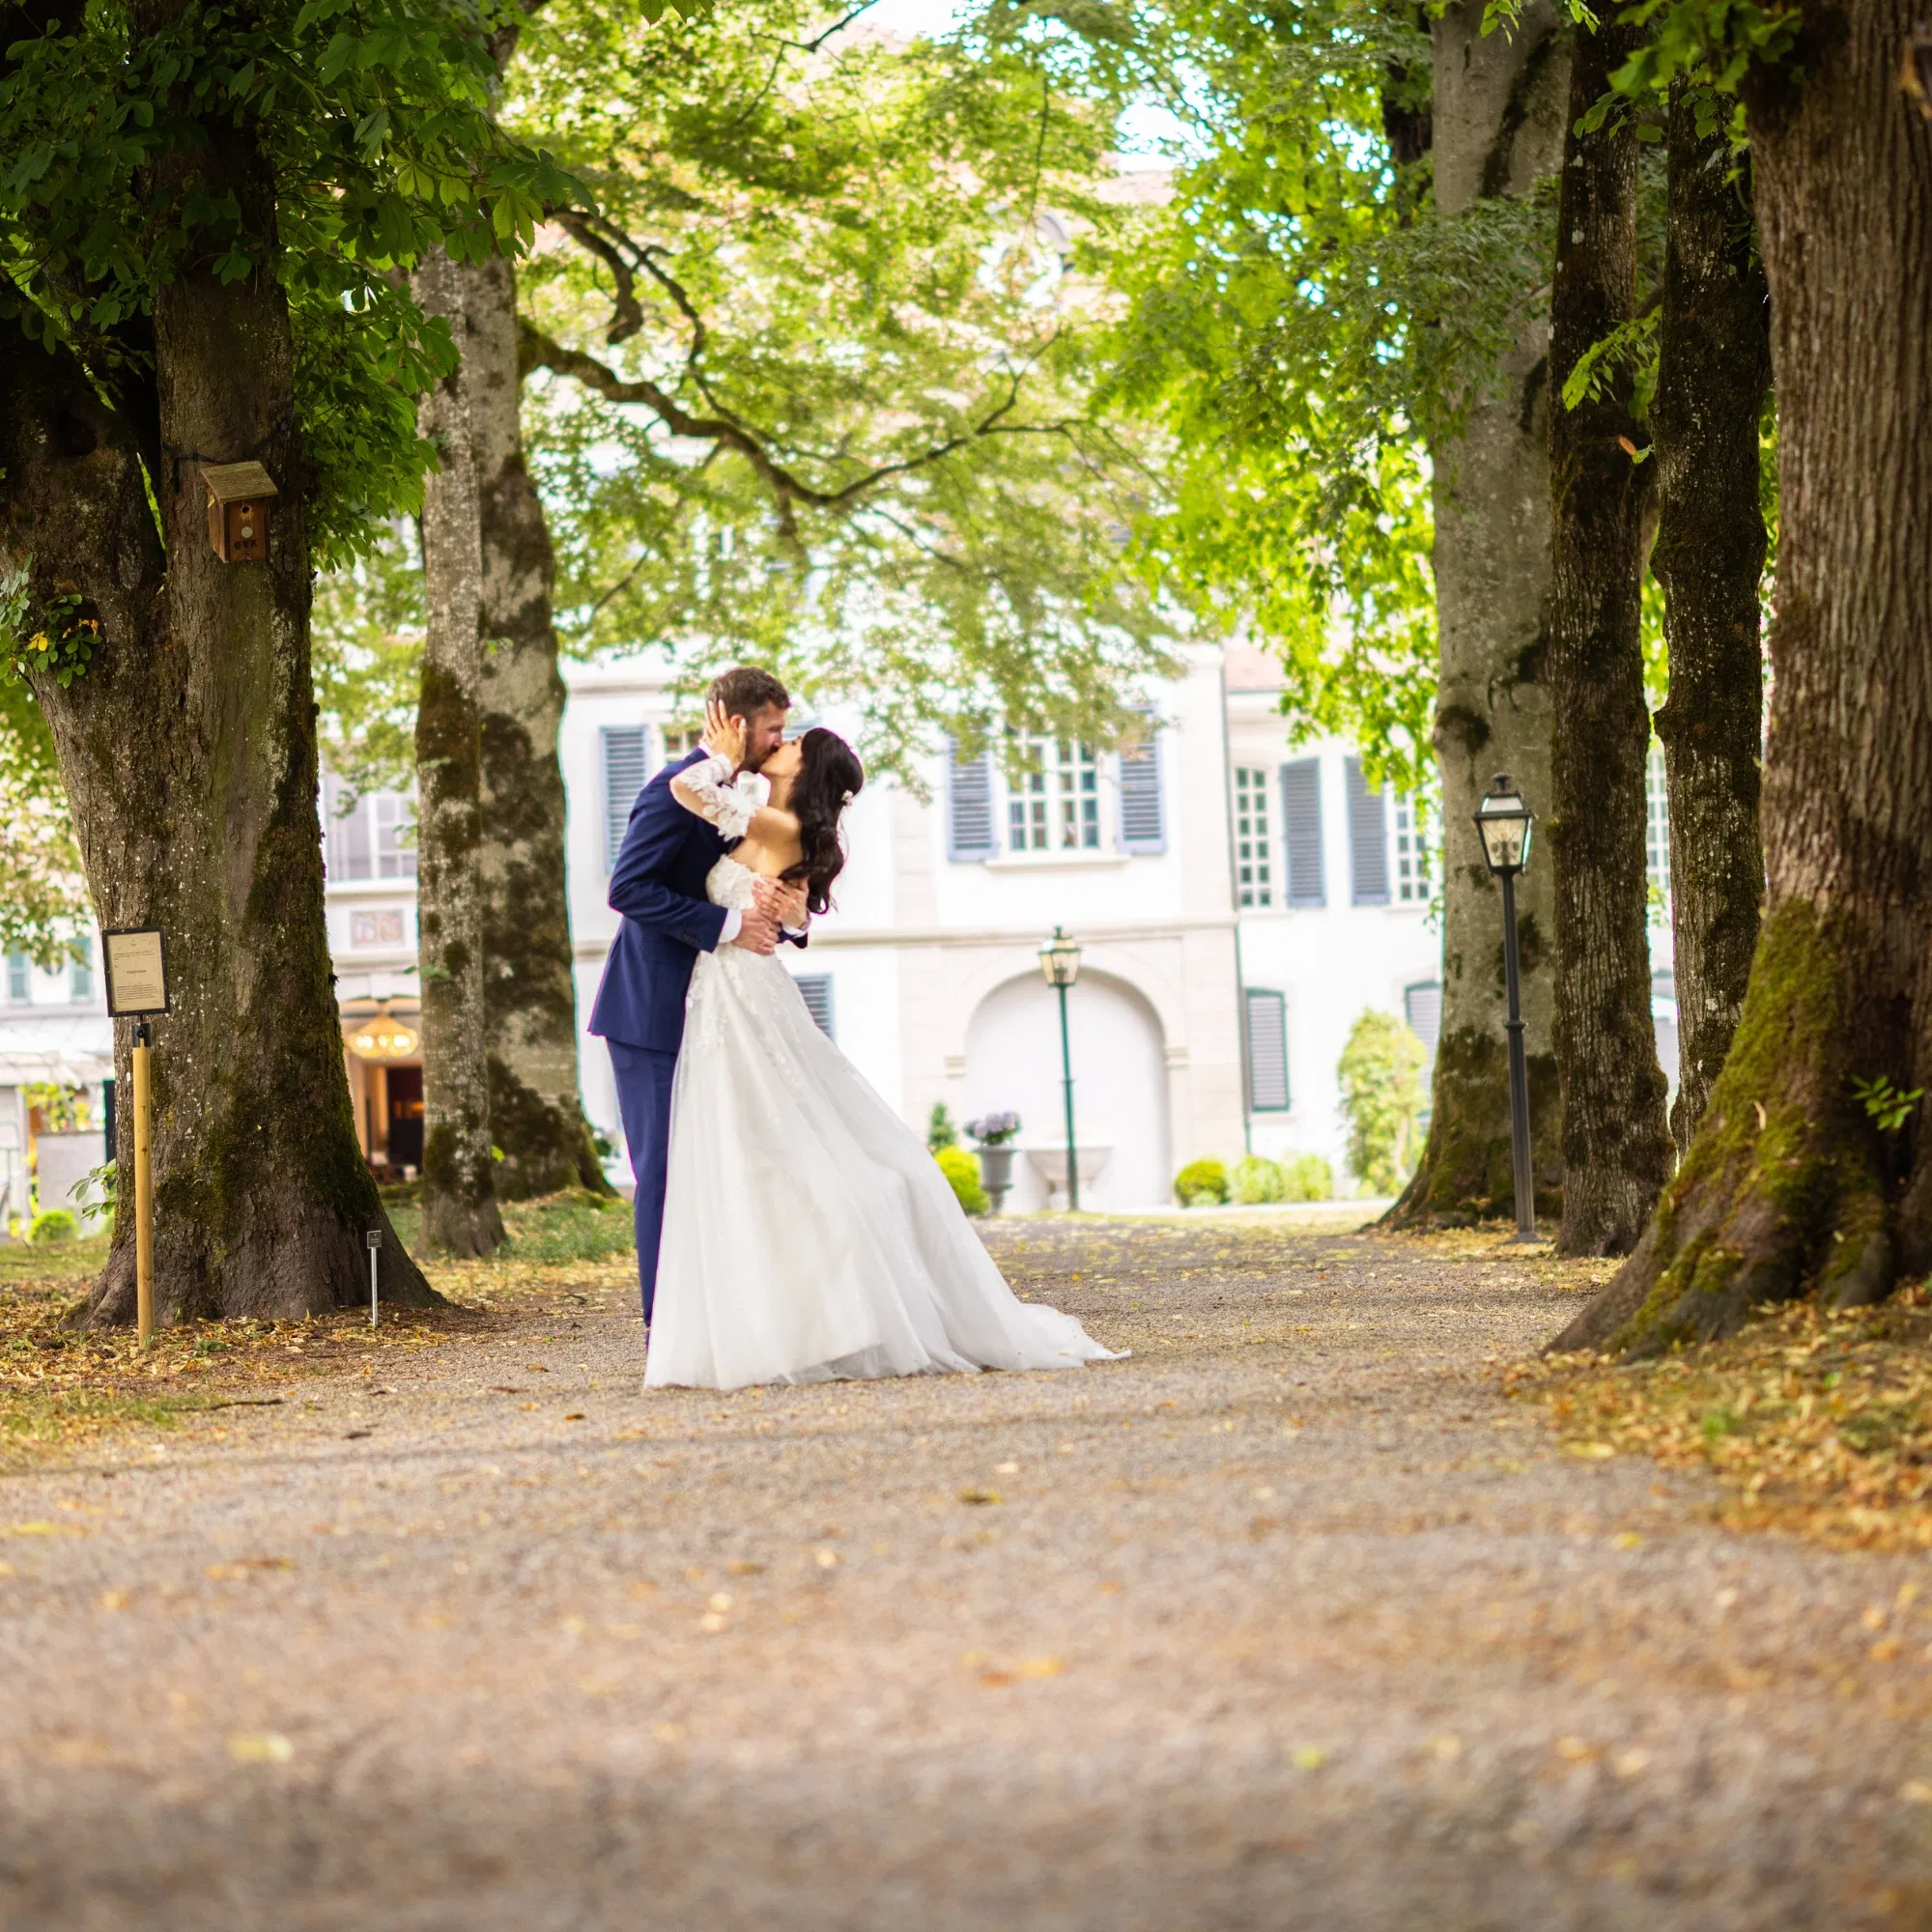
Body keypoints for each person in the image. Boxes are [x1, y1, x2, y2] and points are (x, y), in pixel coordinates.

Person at [644, 699, 1124, 1389]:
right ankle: (784, 1318)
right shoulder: (775, 818)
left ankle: (810, 1319)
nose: (780, 743)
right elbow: (774, 891)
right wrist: (791, 903)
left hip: (741, 991)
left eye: (792, 741)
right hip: (728, 988)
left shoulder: (776, 820)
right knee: (750, 1148)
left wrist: (716, 756)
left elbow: (687, 789)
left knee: (767, 1141)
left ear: (803, 770)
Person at [589, 667, 809, 1324]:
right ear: (739, 725)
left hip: (720, 1008)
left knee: (726, 1161)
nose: (780, 740)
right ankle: (670, 1327)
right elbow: (628, 889)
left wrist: (777, 911)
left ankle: (729, 1315)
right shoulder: (669, 791)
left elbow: (758, 881)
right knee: (661, 1174)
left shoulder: (738, 793)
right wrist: (732, 925)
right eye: (773, 727)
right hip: (652, 1010)